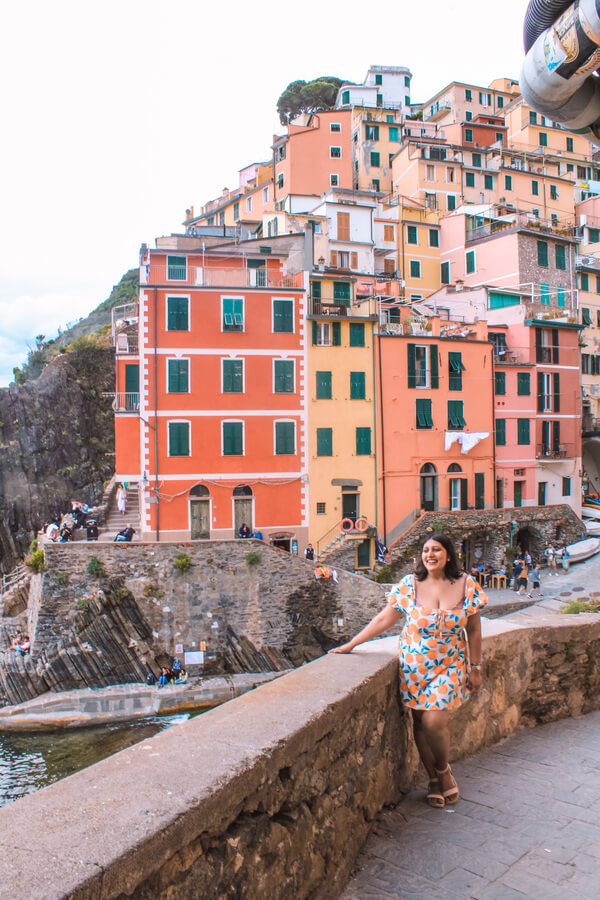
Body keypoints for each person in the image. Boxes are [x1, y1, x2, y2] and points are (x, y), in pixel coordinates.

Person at [330, 533, 486, 808]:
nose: (430, 555)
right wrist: (352, 643)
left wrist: (475, 667)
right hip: (414, 667)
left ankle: (443, 771)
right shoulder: (409, 585)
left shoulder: (466, 584)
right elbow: (383, 619)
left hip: (450, 665)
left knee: (433, 722)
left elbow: (473, 629)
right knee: (418, 723)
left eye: (436, 550)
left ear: (448, 554)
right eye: (426, 550)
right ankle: (435, 780)